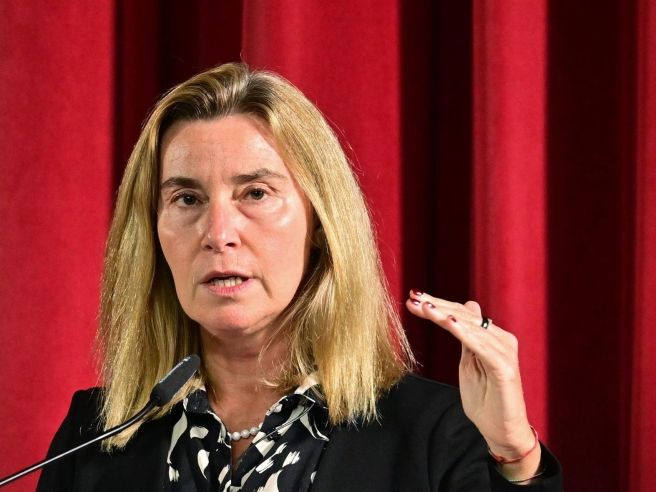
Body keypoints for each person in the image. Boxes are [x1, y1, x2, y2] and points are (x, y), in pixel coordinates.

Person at [37, 63, 562, 491]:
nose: (218, 233)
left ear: (319, 225)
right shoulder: (94, 436)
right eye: (187, 199)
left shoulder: (433, 432)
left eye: (255, 193)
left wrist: (514, 456)